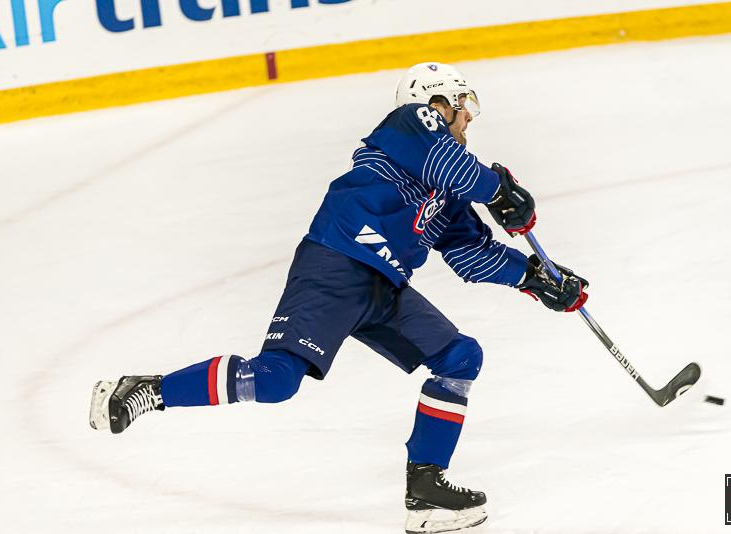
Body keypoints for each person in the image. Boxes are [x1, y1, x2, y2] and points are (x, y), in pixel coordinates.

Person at [89, 62, 589, 534]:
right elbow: (453, 165)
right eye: (464, 105)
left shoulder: (452, 185)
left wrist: (538, 278)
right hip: (335, 264)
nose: (468, 119)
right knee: (276, 380)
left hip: (383, 288)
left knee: (460, 357)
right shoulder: (411, 124)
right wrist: (499, 189)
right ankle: (145, 389)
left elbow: (472, 255)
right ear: (437, 101)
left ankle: (426, 491)